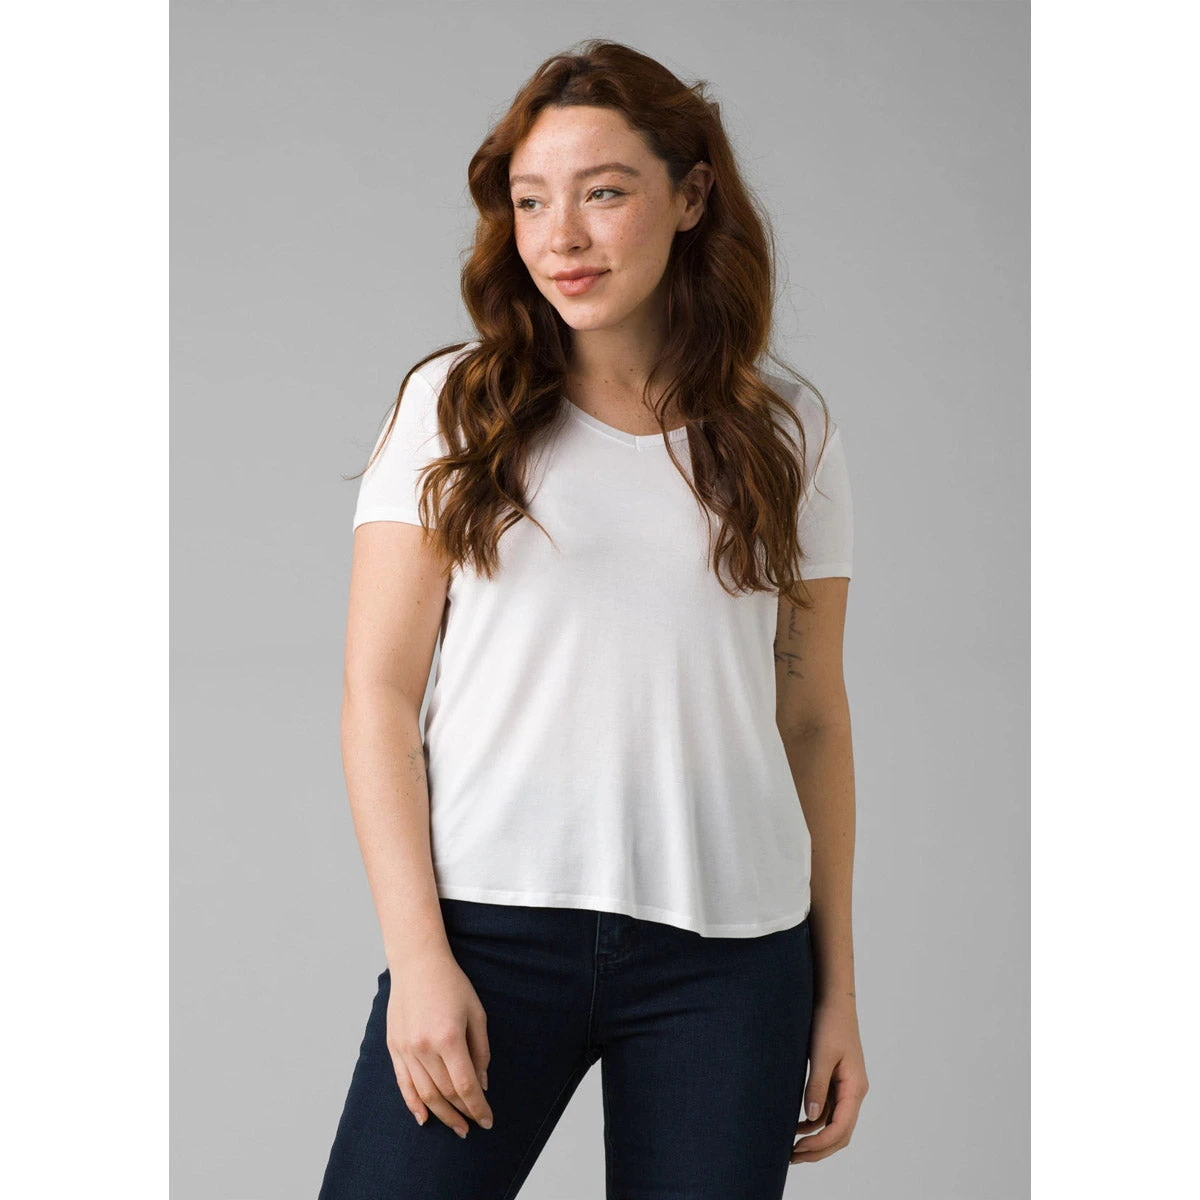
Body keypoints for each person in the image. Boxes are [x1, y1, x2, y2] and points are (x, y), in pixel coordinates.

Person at [318, 38, 869, 1200]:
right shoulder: (453, 408)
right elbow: (377, 694)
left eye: (603, 192)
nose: (561, 236)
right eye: (531, 201)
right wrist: (418, 960)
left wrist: (837, 992)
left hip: (731, 959)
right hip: (490, 934)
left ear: (691, 195)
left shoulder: (788, 434)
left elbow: (812, 717)